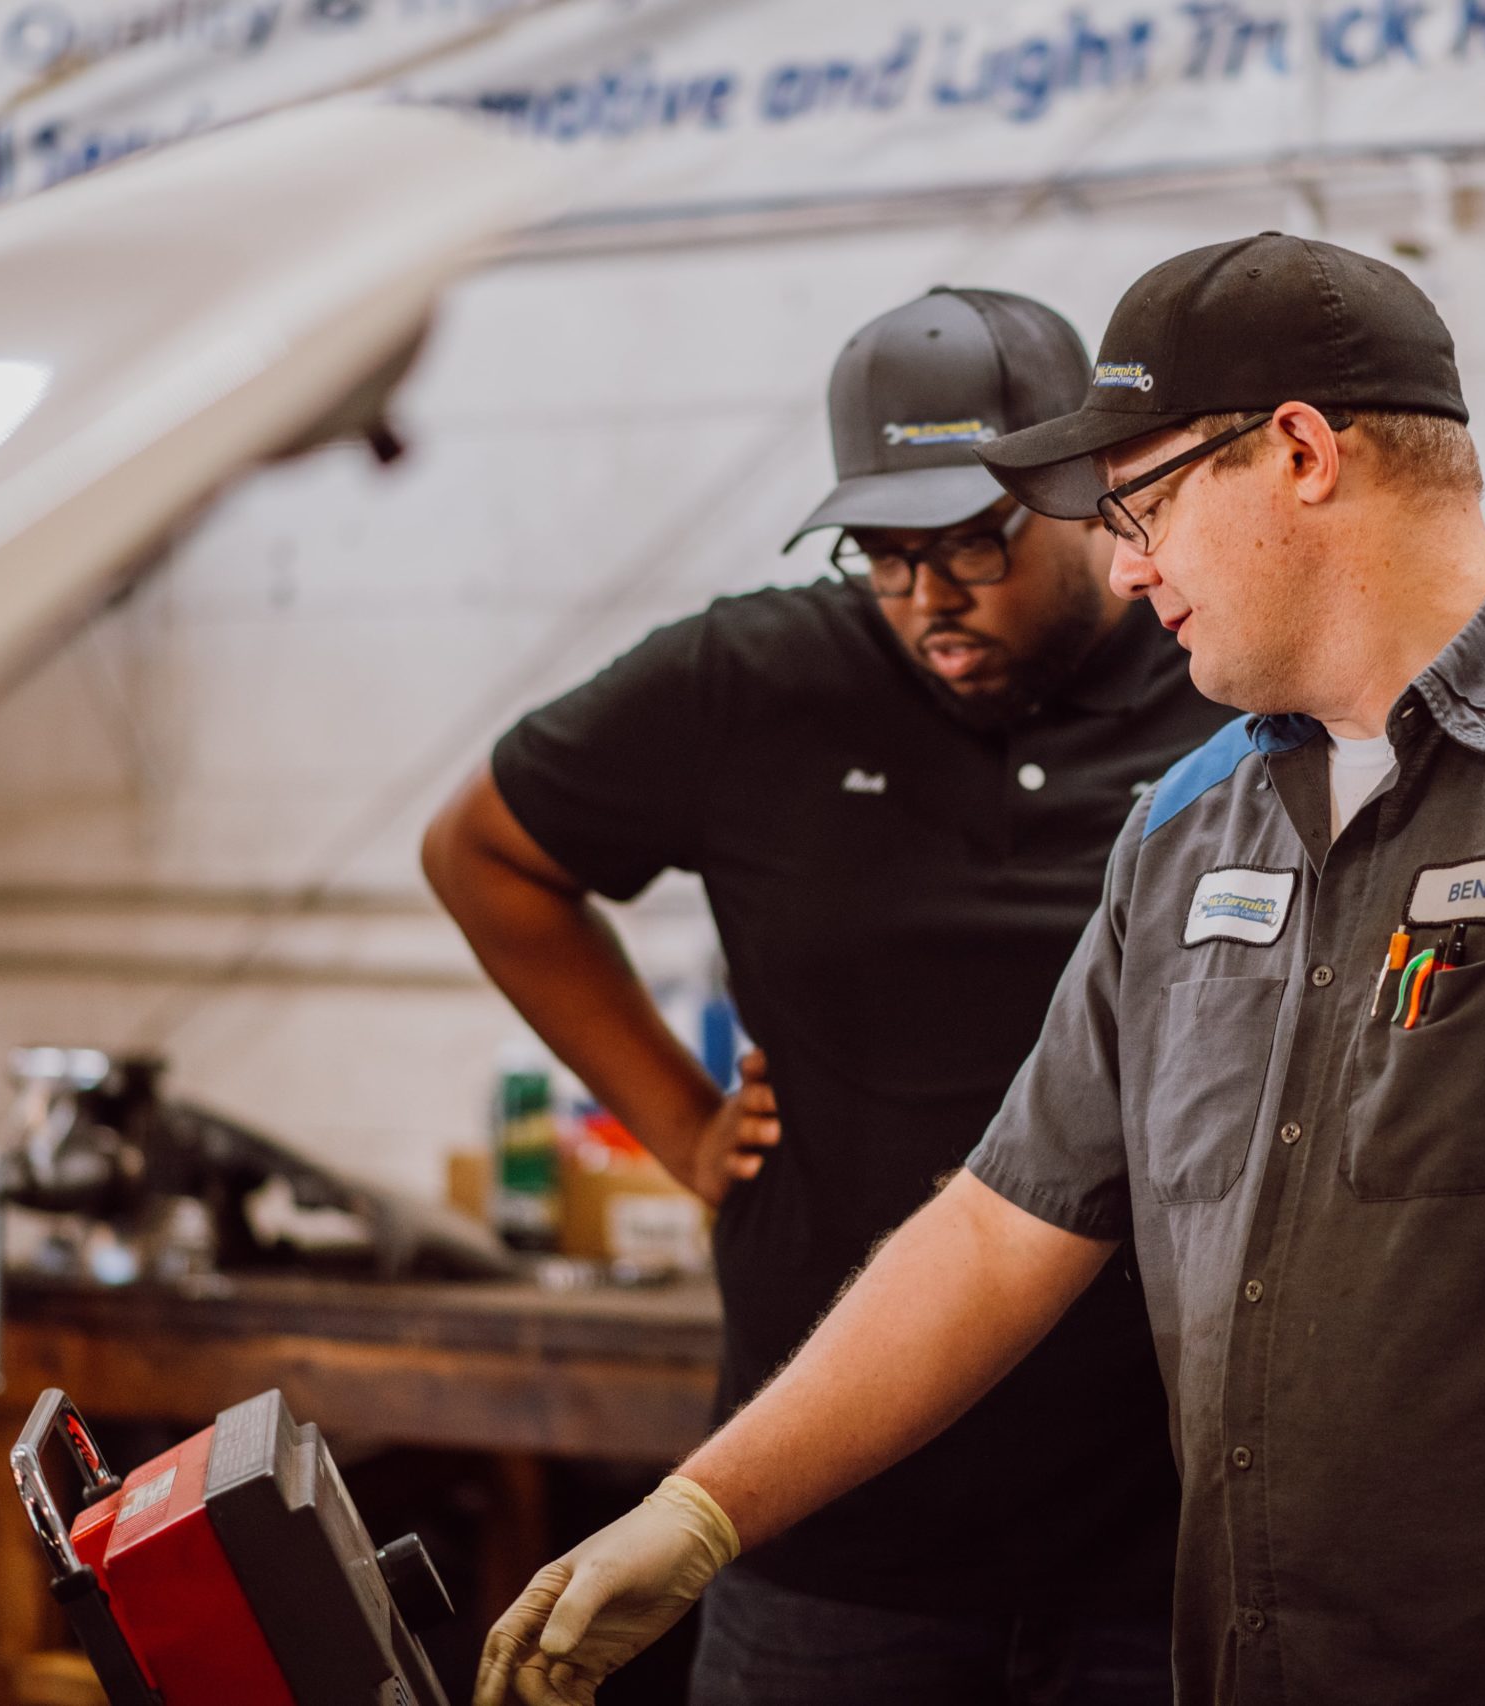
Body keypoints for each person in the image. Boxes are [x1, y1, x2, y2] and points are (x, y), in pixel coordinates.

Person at [471, 235, 1485, 1706]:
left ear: (1296, 454)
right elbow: (996, 1230)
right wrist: (703, 1508)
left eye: (1143, 503)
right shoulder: (1183, 827)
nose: (1127, 561)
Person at [423, 285, 1234, 1704]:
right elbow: (482, 852)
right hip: (828, 1532)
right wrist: (679, 1125)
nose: (930, 599)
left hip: (1156, 1533)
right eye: (884, 556)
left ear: (1085, 494)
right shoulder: (753, 681)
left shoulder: (1219, 675)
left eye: (974, 544)